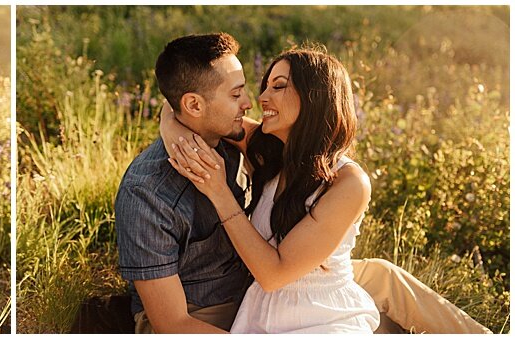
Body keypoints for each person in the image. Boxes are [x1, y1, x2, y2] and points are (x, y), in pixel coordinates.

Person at [114, 32, 490, 334]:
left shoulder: (329, 174)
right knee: (374, 278)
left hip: (281, 287)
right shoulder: (258, 151)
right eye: (243, 91)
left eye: (276, 86)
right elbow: (182, 106)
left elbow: (275, 272)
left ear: (313, 99)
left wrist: (217, 190)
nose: (255, 101)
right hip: (242, 303)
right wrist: (170, 122)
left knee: (381, 275)